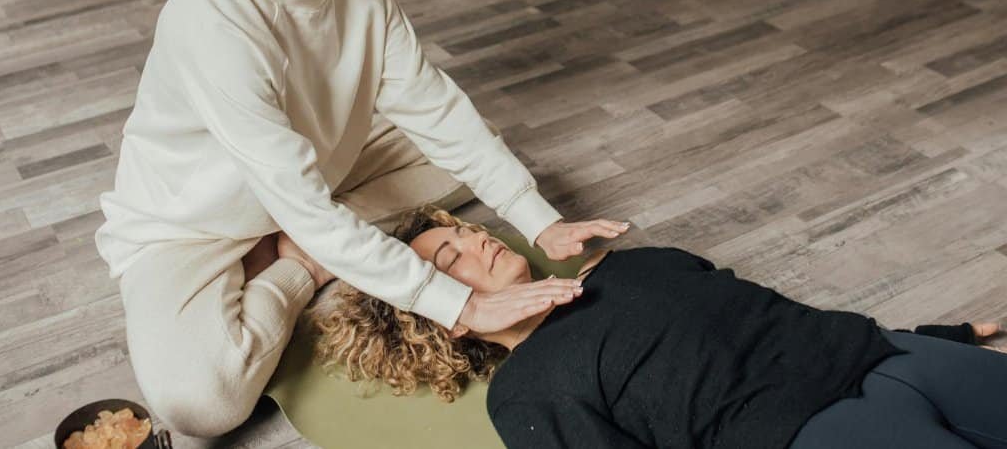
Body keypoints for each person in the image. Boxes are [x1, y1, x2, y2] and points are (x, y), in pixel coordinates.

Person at [94, 0, 625, 437]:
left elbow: (431, 105)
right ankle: (298, 262)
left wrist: (537, 218)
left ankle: (314, 240)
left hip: (313, 170)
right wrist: (459, 304)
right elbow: (306, 202)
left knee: (472, 140)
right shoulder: (214, 20)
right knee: (198, 401)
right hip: (193, 224)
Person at [314, 206, 1007, 449]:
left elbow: (775, 313)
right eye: (448, 258)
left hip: (880, 352)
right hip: (805, 427)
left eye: (463, 233)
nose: (477, 244)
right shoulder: (525, 390)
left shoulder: (630, 263)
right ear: (439, 321)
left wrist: (940, 335)